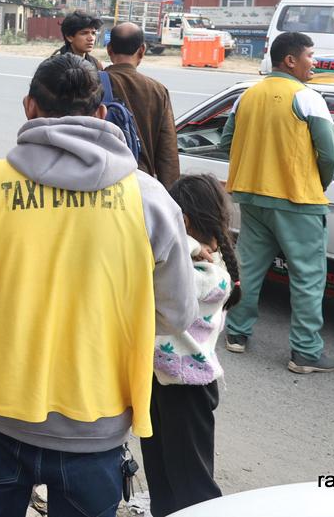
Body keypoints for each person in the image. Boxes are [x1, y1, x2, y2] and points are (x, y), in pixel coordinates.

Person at [0, 53, 196, 517]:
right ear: (100, 113)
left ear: (29, 106)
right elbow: (177, 313)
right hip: (96, 423)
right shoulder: (149, 198)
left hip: (2, 412)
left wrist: (13, 299)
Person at [219, 31, 334, 374]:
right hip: (297, 200)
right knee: (307, 278)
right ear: (290, 60)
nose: (313, 63)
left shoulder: (247, 96)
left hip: (252, 196)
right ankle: (305, 353)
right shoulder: (308, 98)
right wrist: (317, 183)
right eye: (310, 56)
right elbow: (331, 154)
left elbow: (227, 140)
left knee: (249, 268)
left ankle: (236, 334)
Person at [140, 174, 240, 516]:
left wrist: (190, 245)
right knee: (162, 478)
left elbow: (147, 251)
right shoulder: (191, 263)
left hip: (188, 392)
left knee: (194, 489)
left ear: (181, 223)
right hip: (160, 383)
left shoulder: (209, 275)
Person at [103, 22, 179, 186]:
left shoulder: (92, 83)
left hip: (101, 181)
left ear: (109, 49)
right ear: (142, 50)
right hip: (140, 185)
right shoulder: (158, 91)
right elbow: (168, 154)